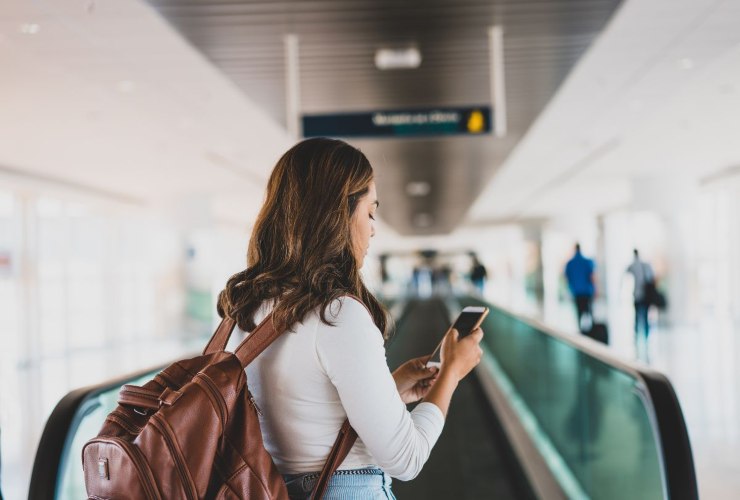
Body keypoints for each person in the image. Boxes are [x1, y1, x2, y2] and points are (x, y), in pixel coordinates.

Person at [217, 138, 484, 499]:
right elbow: (406, 458)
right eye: (370, 212)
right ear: (339, 214)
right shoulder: (337, 314)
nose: (373, 228)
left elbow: (304, 406)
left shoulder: (245, 309)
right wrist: (452, 371)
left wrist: (390, 387)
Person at [564, 243, 596, 333]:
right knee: (589, 312)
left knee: (579, 312)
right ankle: (591, 331)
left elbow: (567, 278)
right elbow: (592, 277)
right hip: (587, 292)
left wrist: (570, 288)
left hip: (577, 292)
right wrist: (595, 290)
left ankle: (581, 331)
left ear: (575, 249)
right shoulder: (587, 261)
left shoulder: (570, 263)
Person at [626, 249, 654, 341]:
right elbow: (652, 278)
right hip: (646, 296)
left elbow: (625, 272)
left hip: (638, 296)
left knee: (637, 317)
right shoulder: (646, 265)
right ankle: (646, 335)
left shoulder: (633, 265)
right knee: (645, 317)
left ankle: (637, 335)